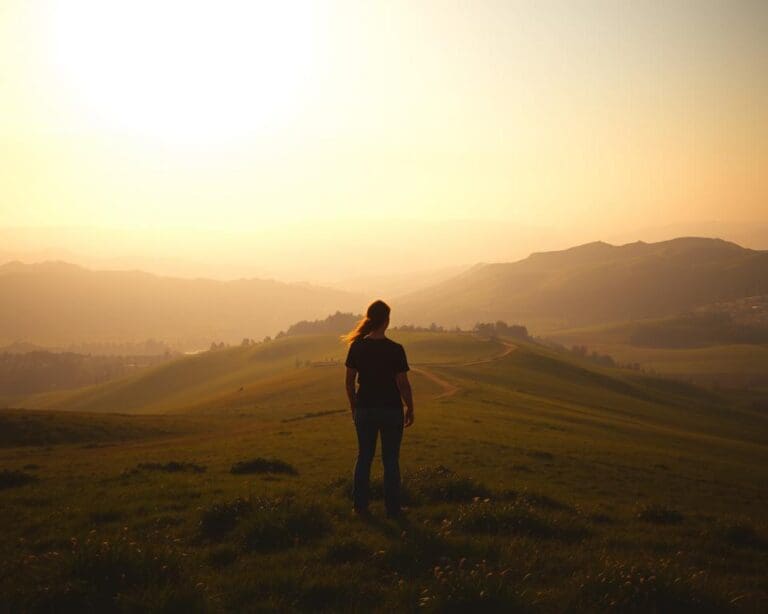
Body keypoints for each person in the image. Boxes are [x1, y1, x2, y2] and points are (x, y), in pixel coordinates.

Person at [342, 299, 414, 518]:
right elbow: (402, 383)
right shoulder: (395, 349)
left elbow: (349, 381)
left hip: (365, 409)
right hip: (391, 409)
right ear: (387, 321)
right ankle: (393, 509)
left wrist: (354, 406)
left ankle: (360, 507)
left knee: (364, 457)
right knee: (390, 460)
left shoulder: (357, 346)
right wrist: (410, 407)